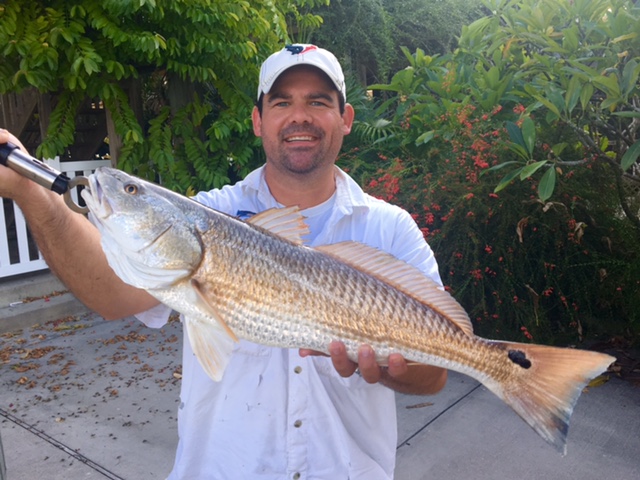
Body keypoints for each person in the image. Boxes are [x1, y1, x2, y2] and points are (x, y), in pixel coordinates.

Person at [0, 44, 447, 479]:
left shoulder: (391, 229)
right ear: (257, 120)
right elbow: (110, 294)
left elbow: (437, 373)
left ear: (345, 118)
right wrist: (29, 191)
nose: (300, 116)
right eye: (281, 102)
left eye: (318, 101)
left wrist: (388, 368)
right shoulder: (212, 212)